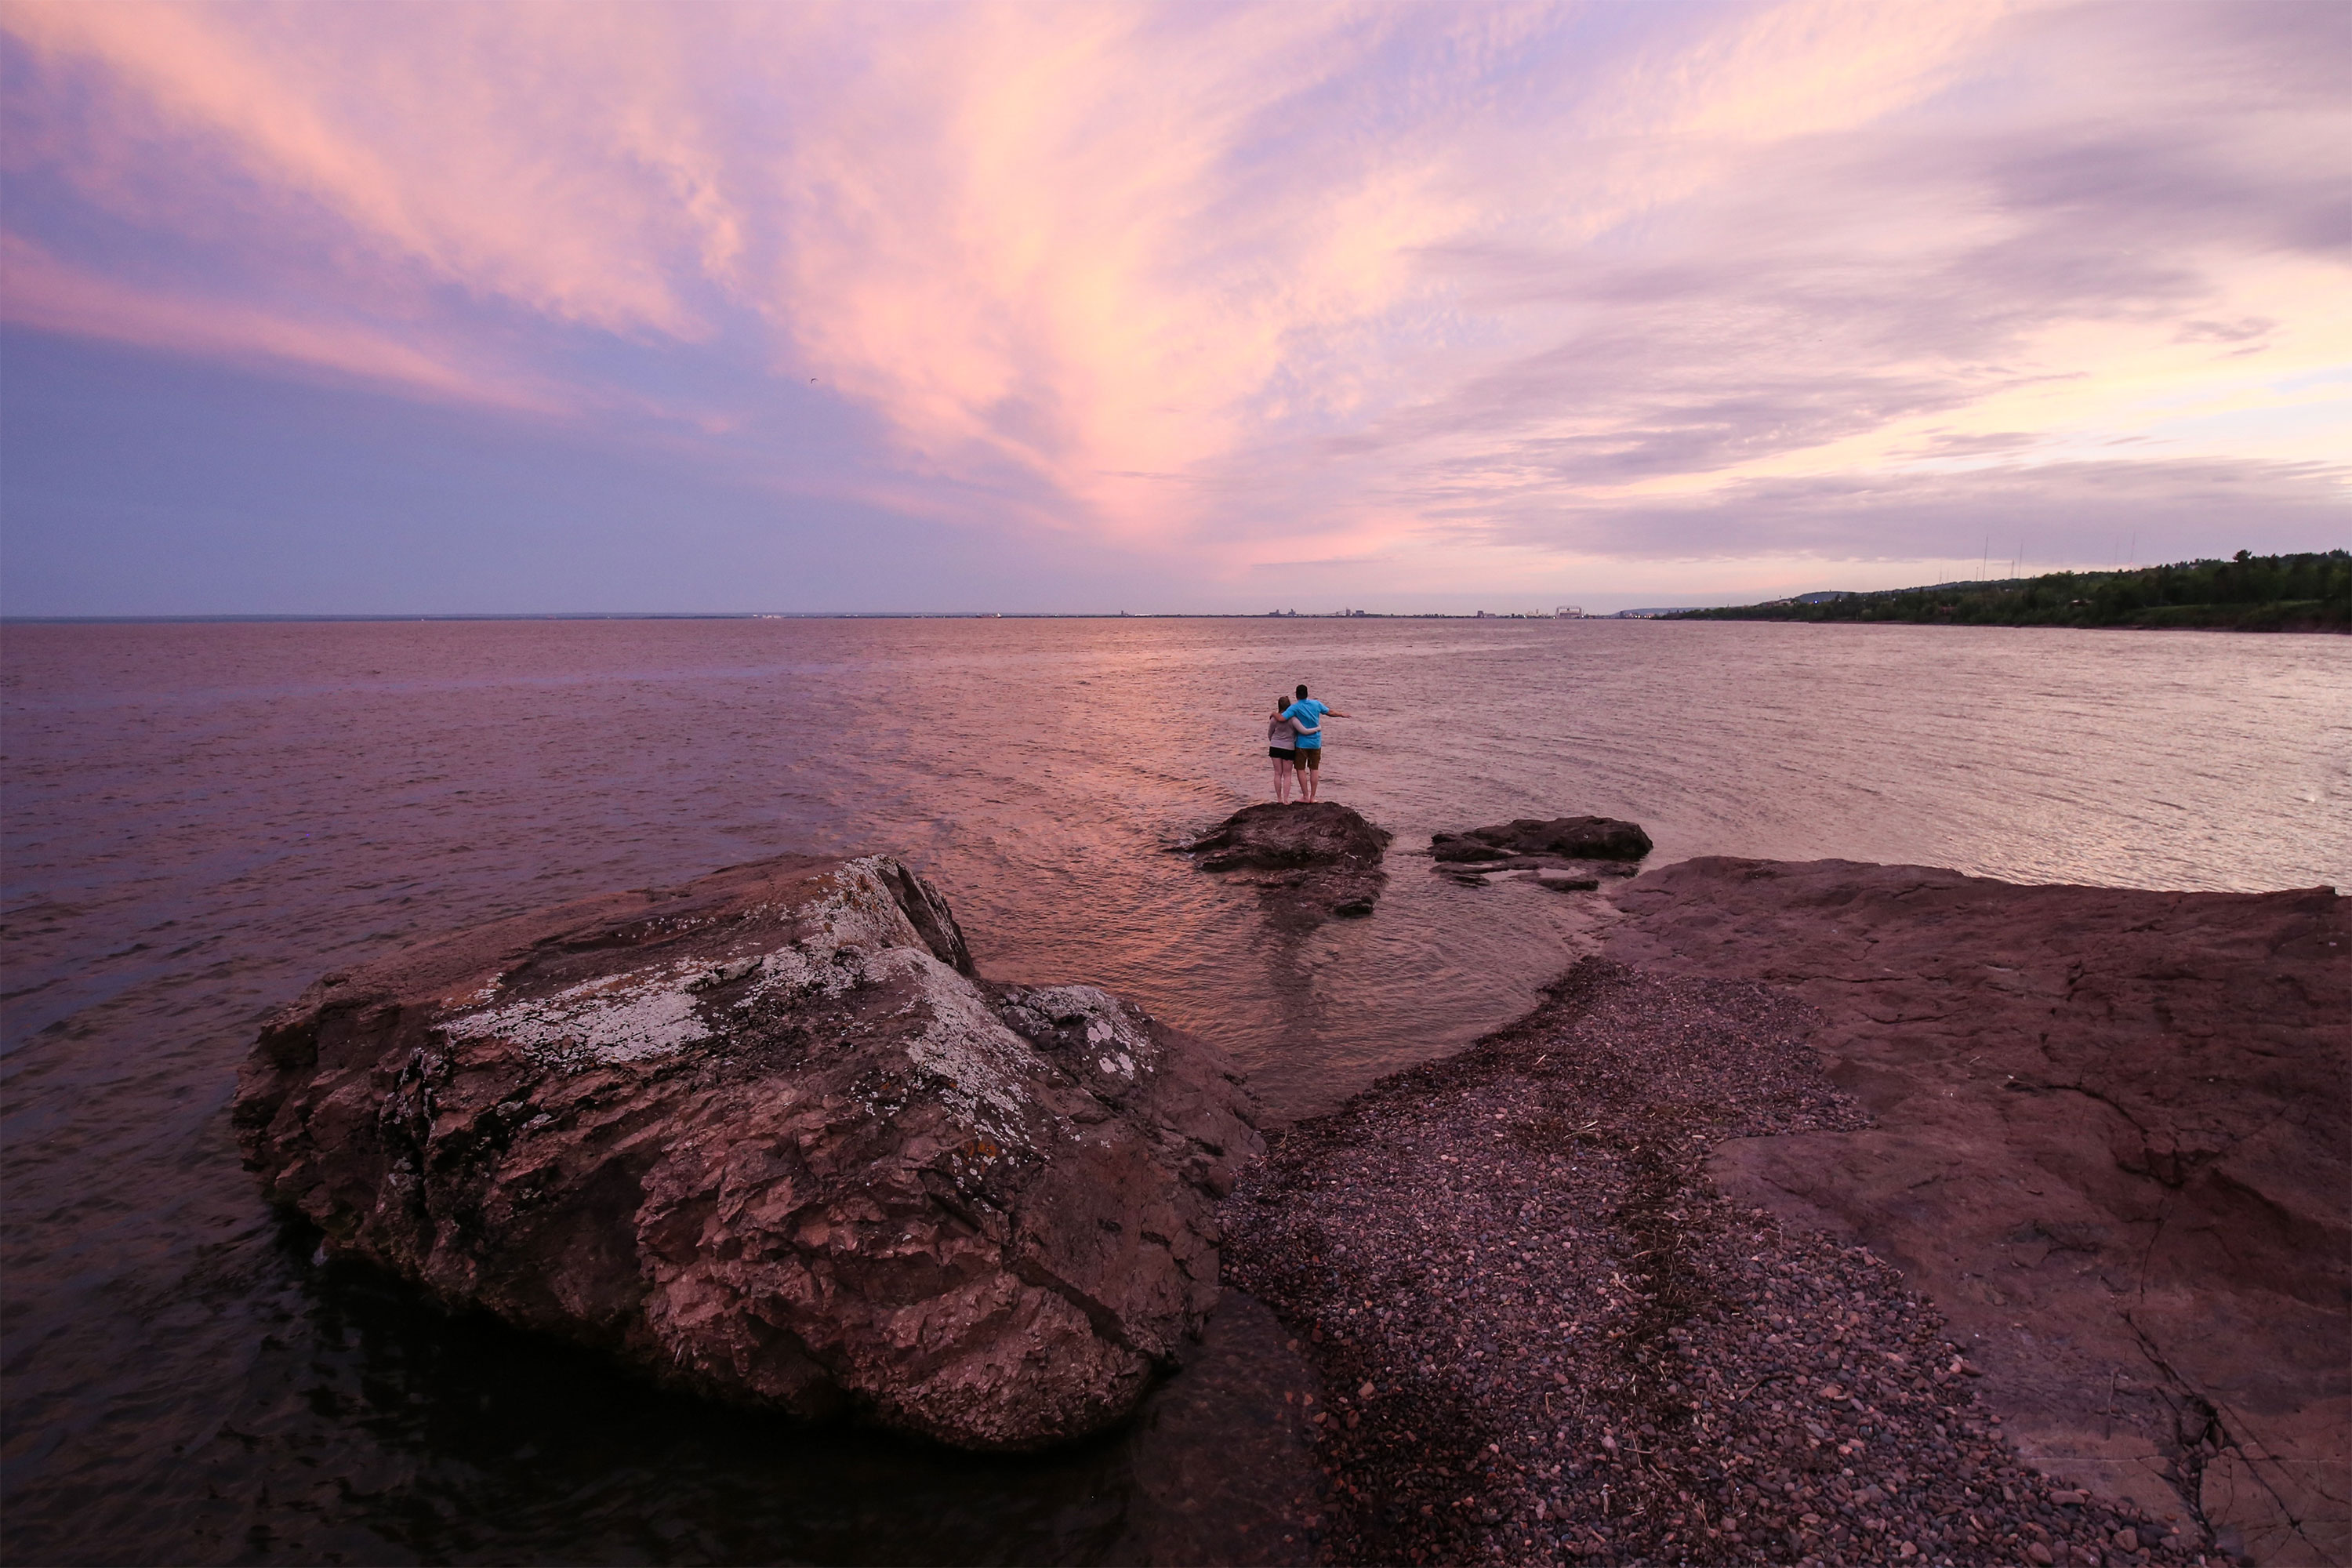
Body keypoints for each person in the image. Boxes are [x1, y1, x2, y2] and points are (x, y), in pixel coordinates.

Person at [1281, 683, 1349, 802]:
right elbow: (1330, 712)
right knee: (1314, 769)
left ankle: (1305, 796)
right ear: (1307, 694)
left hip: (1302, 743)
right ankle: (1313, 797)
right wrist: (1341, 714)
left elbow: (1282, 718)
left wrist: (1273, 715)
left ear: (1296, 695)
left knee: (1300, 769)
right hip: (1316, 742)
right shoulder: (1316, 704)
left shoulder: (1295, 708)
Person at [1265, 695, 1308, 801]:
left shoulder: (1275, 719)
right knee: (1287, 775)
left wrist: (1274, 741)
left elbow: (1270, 733)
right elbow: (1300, 732)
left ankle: (1279, 799)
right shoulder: (1293, 719)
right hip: (1288, 748)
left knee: (1277, 773)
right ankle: (1286, 799)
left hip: (1275, 746)